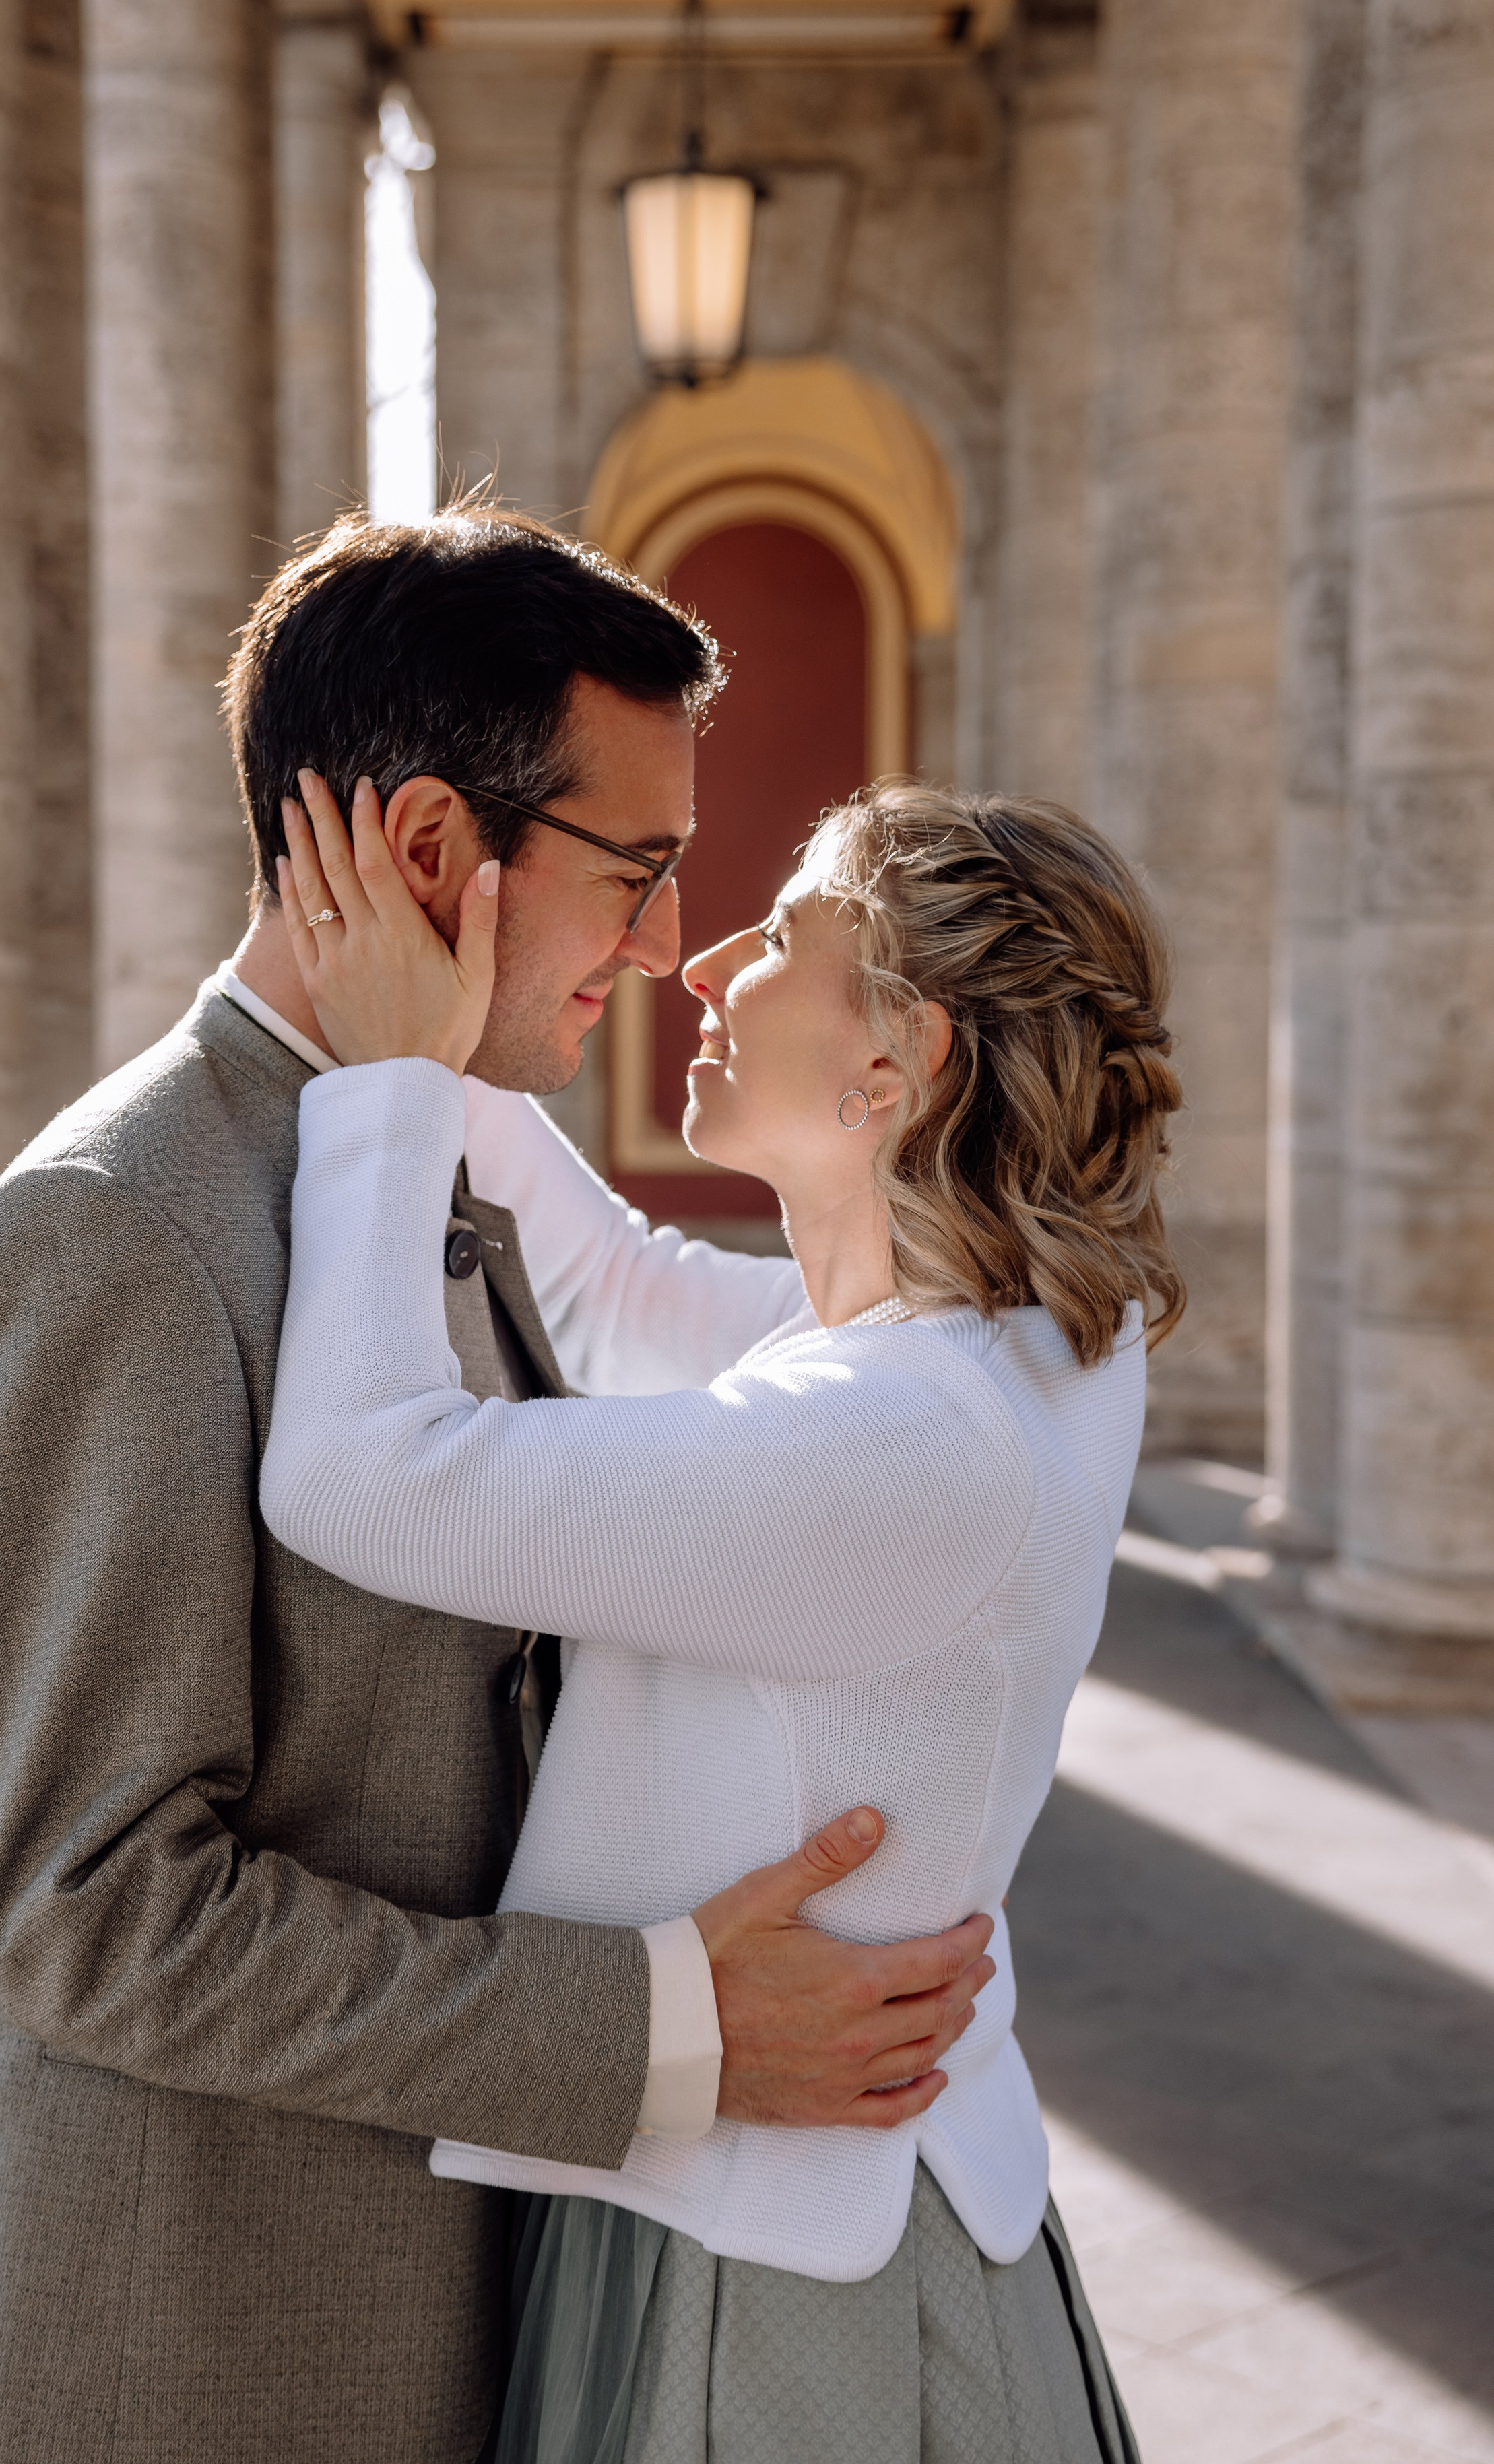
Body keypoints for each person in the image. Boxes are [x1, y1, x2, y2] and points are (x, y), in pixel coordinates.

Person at [0, 507, 993, 2464]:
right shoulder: (118, 1237)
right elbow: (99, 1911)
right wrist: (668, 2024)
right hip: (180, 2360)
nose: (658, 948)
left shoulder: (400, 1148)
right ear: (427, 851)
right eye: (635, 869)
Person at [260, 763, 1186, 2464]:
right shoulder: (1020, 1341)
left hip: (779, 2289)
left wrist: (387, 1077)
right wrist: (431, 988)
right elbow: (616, 1287)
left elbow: (360, 1477)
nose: (703, 963)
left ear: (894, 1064)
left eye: (776, 936)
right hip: (830, 2195)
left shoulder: (900, 1445)